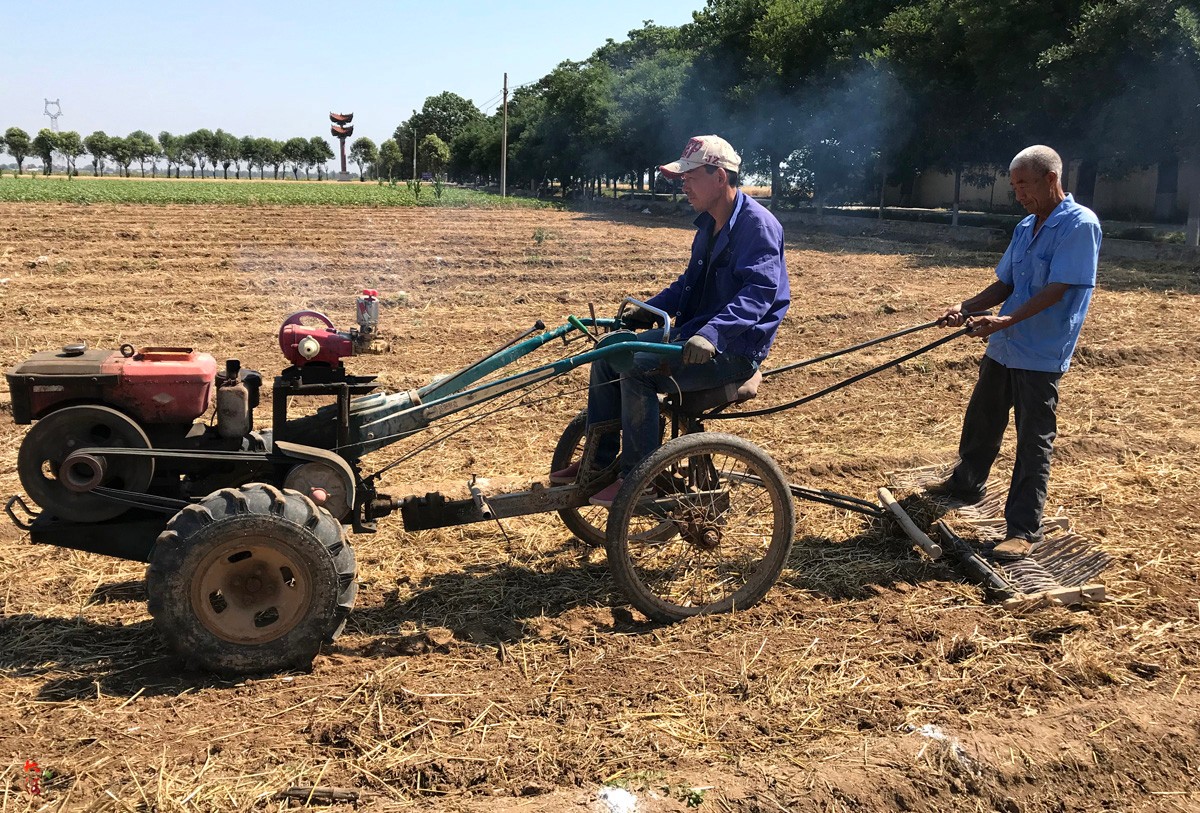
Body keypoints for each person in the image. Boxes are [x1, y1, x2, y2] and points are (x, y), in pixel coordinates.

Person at [551, 134, 791, 507]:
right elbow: (687, 286)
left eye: (690, 177)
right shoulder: (709, 225)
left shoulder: (757, 226)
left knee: (639, 372)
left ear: (720, 177)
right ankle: (599, 463)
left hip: (733, 349)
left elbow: (758, 295)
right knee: (609, 352)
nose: (684, 184)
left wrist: (712, 334)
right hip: (694, 335)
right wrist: (647, 309)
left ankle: (640, 477)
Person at [934, 145, 1101, 560]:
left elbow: (1058, 288)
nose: (1019, 194)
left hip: (1040, 351)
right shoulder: (1026, 226)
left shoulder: (1080, 225)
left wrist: (1005, 321)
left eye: (1023, 184)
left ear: (1051, 179)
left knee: (1033, 440)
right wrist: (966, 307)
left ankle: (1024, 530)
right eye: (1014, 186)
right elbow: (1005, 284)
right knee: (982, 419)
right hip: (1005, 345)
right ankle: (966, 483)